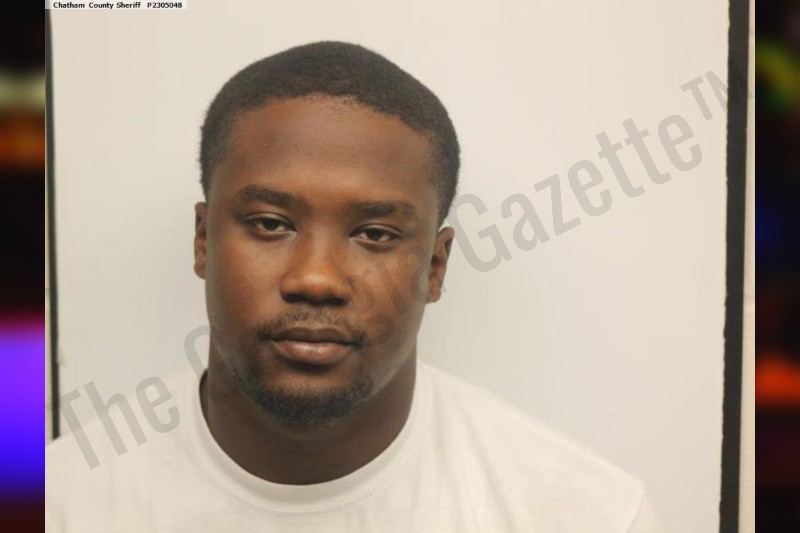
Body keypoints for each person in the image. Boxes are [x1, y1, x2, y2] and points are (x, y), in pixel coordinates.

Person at [46, 41, 665, 532]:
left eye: (374, 234)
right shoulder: (56, 504)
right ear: (203, 241)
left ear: (435, 268)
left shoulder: (589, 516)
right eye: (271, 224)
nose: (316, 279)